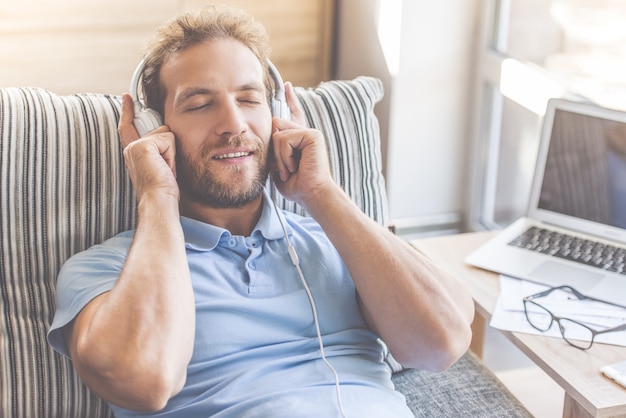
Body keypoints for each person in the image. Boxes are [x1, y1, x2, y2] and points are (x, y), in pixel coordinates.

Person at [47, 5, 474, 417]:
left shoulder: (340, 241)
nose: (234, 125)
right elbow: (144, 381)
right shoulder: (108, 270)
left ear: (279, 115)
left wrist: (321, 192)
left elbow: (444, 342)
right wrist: (157, 194)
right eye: (199, 104)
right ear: (153, 128)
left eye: (249, 99)